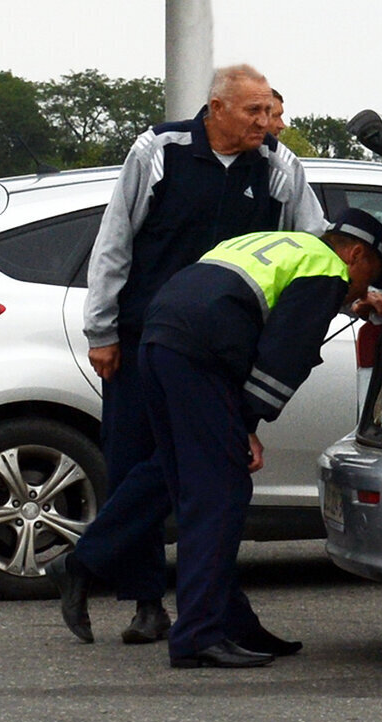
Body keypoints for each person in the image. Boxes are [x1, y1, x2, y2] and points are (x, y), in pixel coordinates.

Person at [56, 208, 382, 668]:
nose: (363, 288)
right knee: (220, 491)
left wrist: (349, 304)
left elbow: (254, 295)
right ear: (355, 253)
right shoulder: (328, 269)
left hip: (159, 341)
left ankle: (215, 614)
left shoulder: (276, 244)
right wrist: (247, 424)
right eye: (368, 277)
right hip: (201, 354)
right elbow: (284, 357)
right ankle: (198, 635)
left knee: (171, 473)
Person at [62, 63, 327, 645]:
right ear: (216, 109)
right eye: (254, 111)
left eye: (270, 111)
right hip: (143, 339)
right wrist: (102, 329)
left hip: (222, 347)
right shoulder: (160, 150)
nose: (267, 122)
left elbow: (316, 244)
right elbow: (115, 241)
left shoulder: (279, 167)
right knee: (137, 463)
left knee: (193, 471)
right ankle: (145, 601)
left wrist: (364, 290)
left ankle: (100, 564)